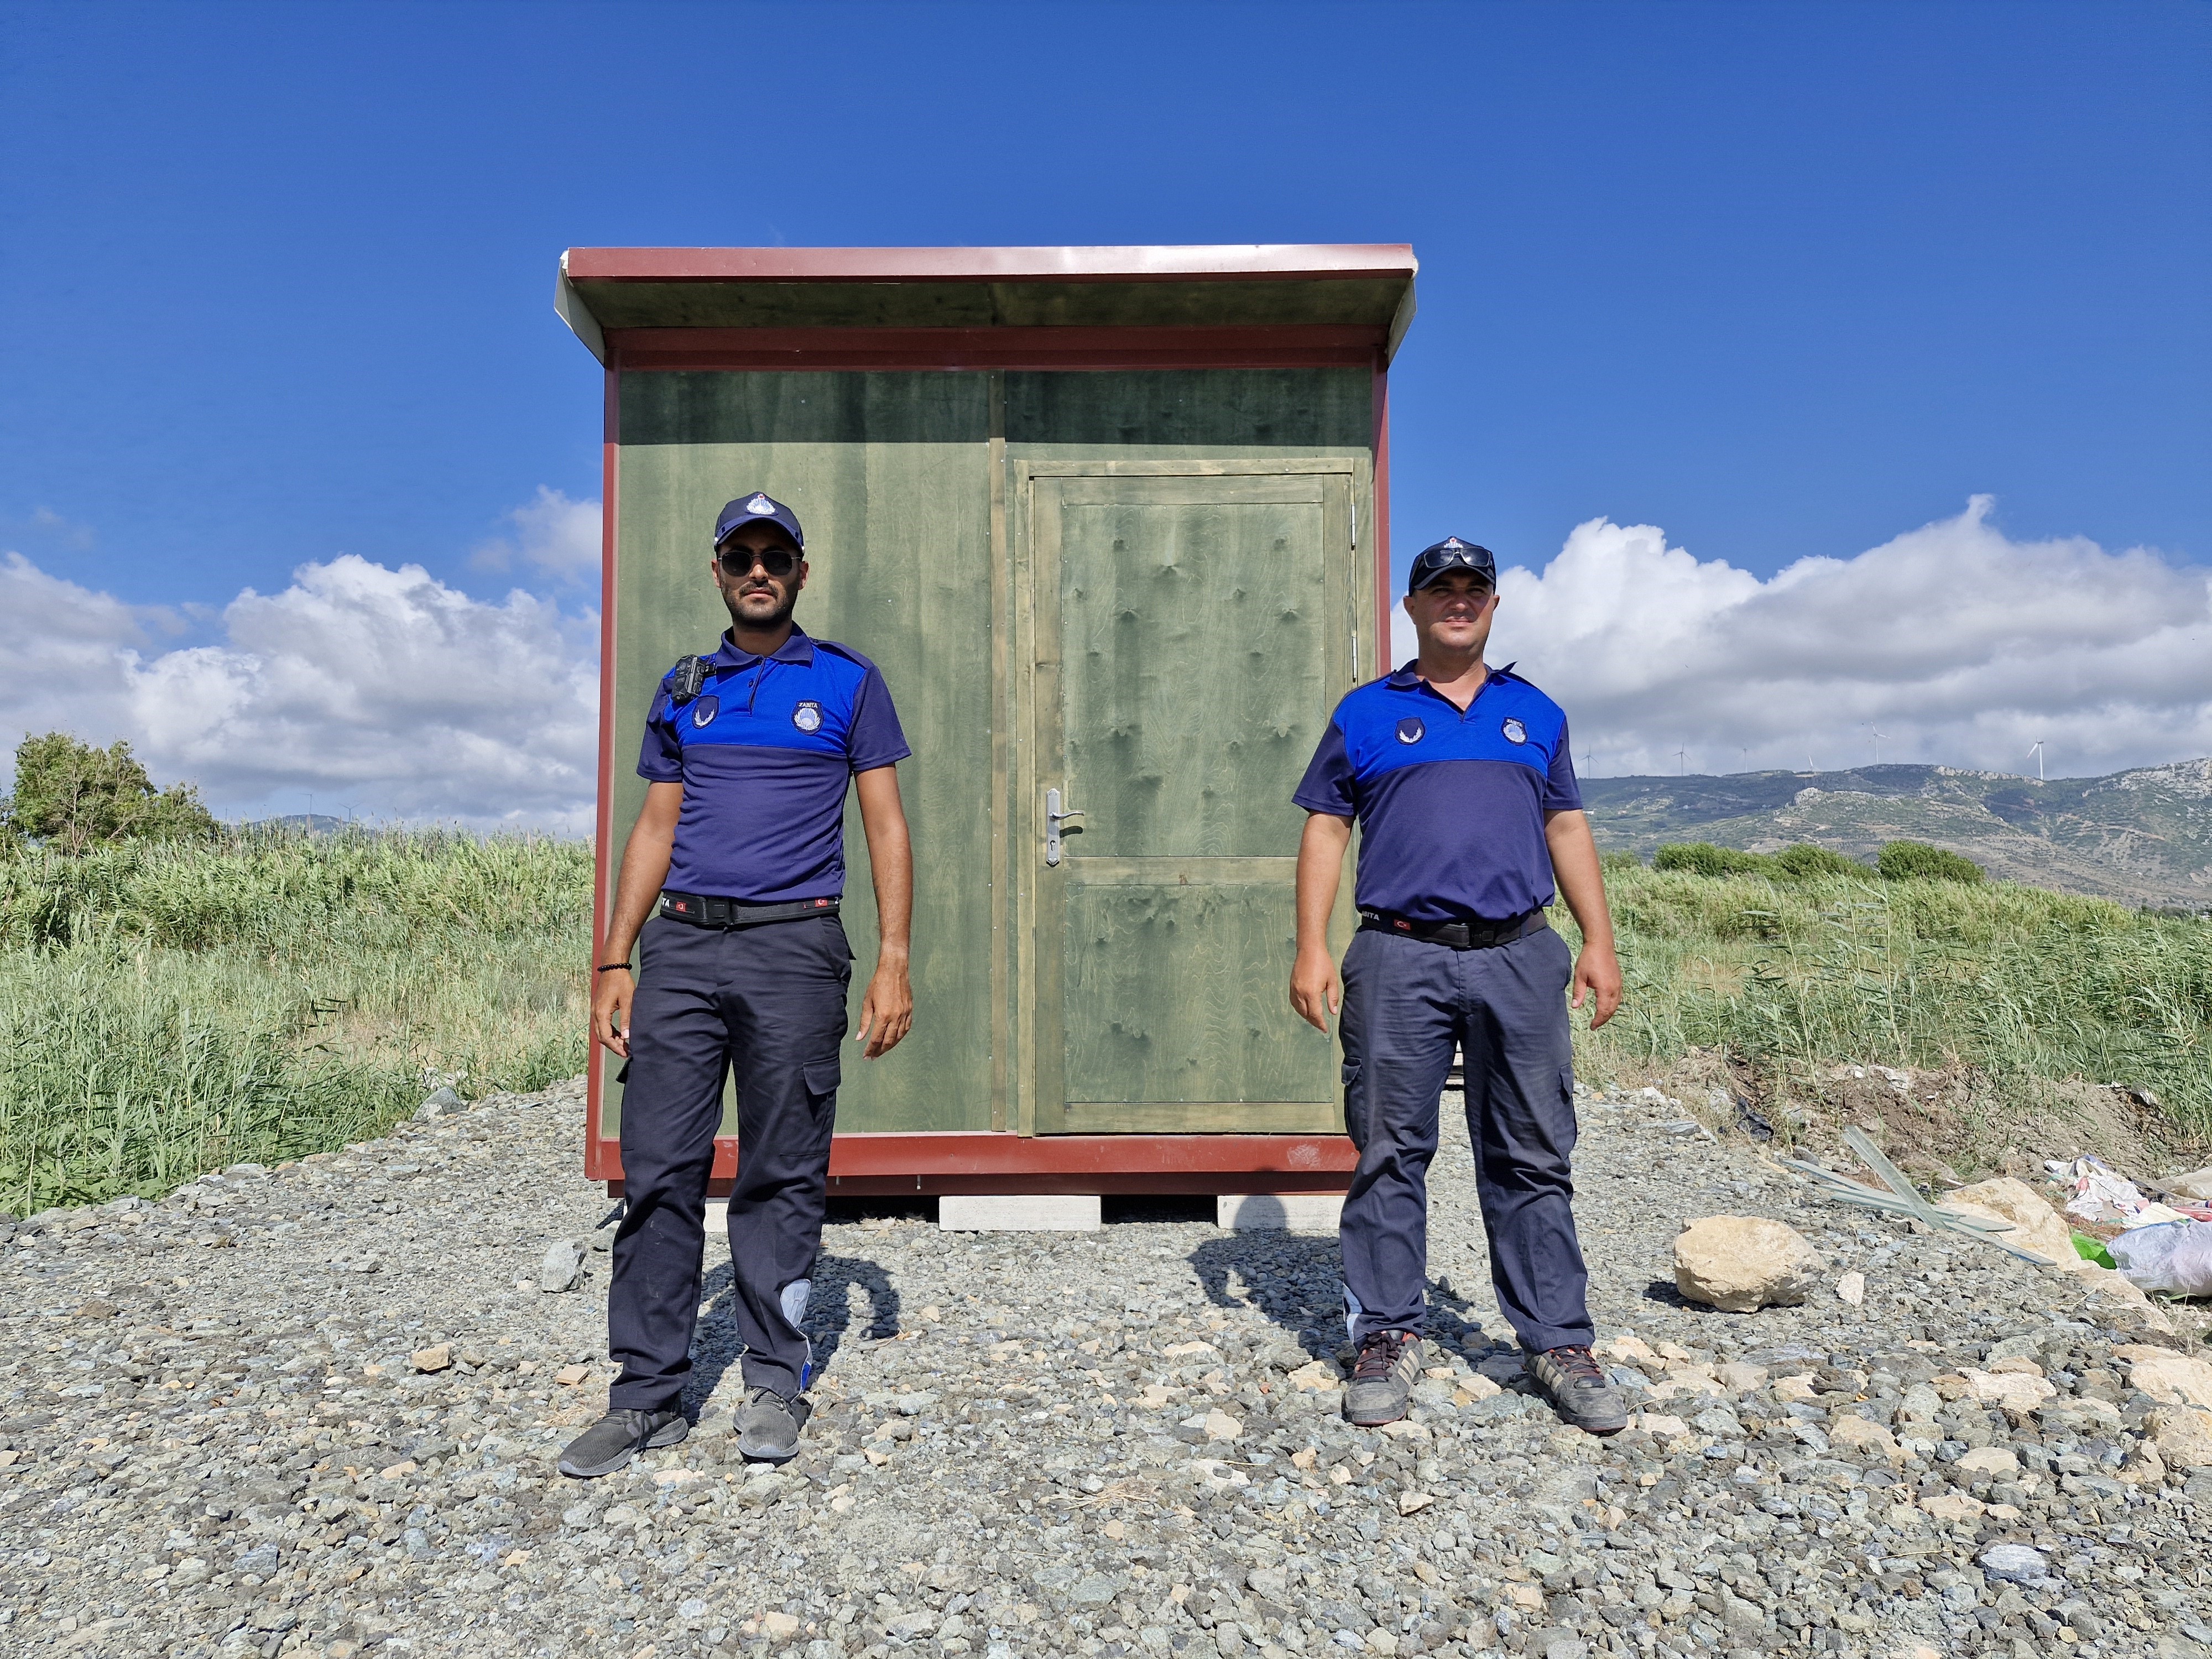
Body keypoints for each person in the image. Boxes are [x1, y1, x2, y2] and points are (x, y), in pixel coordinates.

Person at [561, 491, 915, 1478]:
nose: (758, 570)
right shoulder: (684, 687)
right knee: (659, 1172)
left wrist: (893, 958)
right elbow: (654, 828)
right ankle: (645, 1398)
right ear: (717, 572)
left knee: (780, 1168)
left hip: (795, 952)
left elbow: (885, 825)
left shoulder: (847, 683)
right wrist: (613, 957)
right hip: (679, 950)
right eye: (740, 556)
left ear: (801, 572)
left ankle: (771, 1380)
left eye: (776, 556)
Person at [1288, 536, 1628, 1434]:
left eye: (1474, 588)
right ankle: (1387, 1334)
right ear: (1412, 606)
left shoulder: (1537, 714)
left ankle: (1558, 1339)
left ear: (1493, 604)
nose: (1459, 600)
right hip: (1398, 955)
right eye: (1441, 588)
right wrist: (1311, 949)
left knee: (1530, 1152)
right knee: (1390, 1150)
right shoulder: (1366, 713)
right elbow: (1325, 830)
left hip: (1520, 954)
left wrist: (1598, 939)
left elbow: (1565, 826)